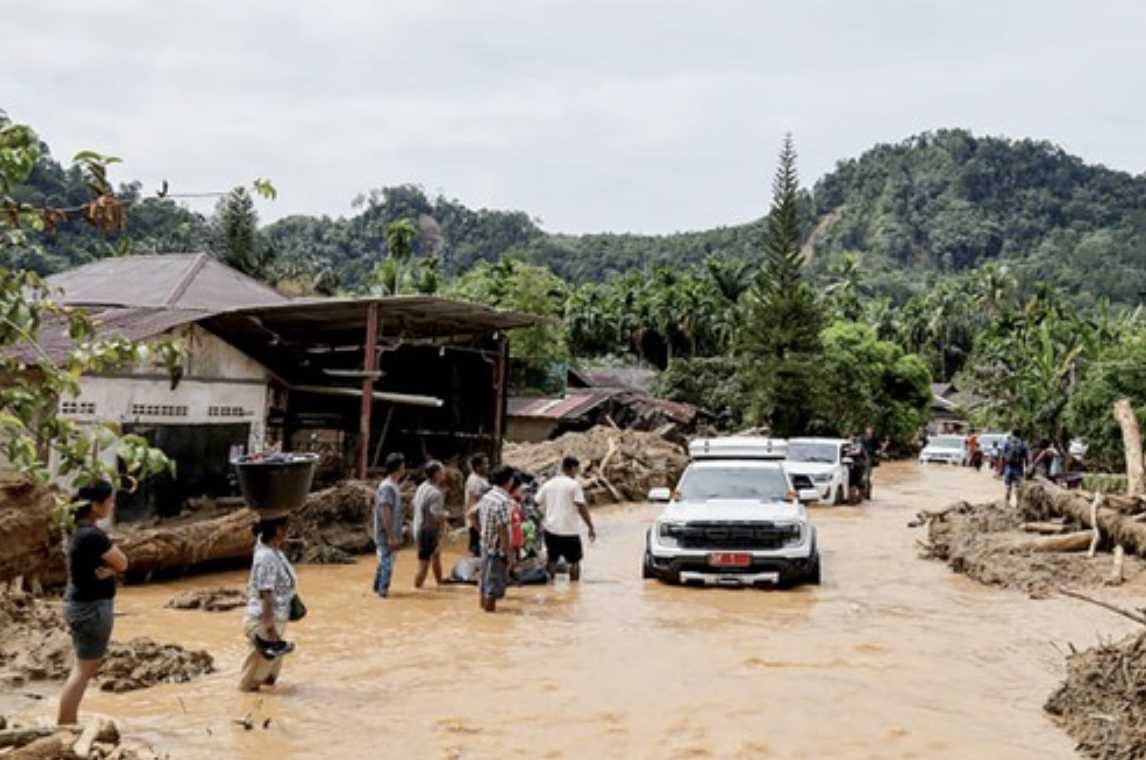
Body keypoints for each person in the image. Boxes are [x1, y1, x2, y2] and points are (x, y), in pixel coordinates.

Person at [58, 481, 127, 725]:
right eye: (110, 501)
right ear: (96, 506)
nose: (113, 505)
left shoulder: (77, 529)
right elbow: (123, 563)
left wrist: (109, 569)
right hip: (92, 608)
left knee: (80, 670)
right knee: (82, 672)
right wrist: (112, 569)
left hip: (78, 603)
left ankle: (67, 722)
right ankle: (66, 725)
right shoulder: (93, 536)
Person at [240, 515, 297, 692]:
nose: (288, 532)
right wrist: (270, 628)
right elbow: (266, 593)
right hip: (264, 622)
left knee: (269, 678)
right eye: (286, 528)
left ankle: (266, 711)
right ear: (279, 530)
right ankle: (250, 710)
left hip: (274, 619)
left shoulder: (271, 549)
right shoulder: (267, 556)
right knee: (250, 684)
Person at [536, 456, 597, 581]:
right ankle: (575, 589)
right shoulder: (574, 485)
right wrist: (590, 527)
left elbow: (536, 502)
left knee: (551, 560)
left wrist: (542, 521)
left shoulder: (548, 484)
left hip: (551, 529)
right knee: (574, 562)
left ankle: (550, 586)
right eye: (578, 469)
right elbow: (581, 507)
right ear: (573, 468)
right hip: (570, 530)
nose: (578, 472)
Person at [477, 466, 514, 612]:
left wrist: (483, 531)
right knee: (492, 589)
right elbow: (503, 529)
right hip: (496, 549)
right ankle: (489, 618)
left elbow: (472, 514)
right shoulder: (503, 500)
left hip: (485, 544)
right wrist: (507, 553)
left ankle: (482, 614)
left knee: (484, 583)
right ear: (509, 481)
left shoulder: (487, 496)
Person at [373, 453, 406, 598]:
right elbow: (385, 512)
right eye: (403, 466)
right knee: (387, 562)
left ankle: (377, 586)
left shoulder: (392, 485)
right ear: (399, 468)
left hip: (388, 530)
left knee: (384, 560)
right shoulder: (388, 487)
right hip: (386, 531)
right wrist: (391, 535)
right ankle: (383, 592)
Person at [413, 460, 449, 588]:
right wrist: (445, 514)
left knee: (436, 556)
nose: (444, 473)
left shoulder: (422, 487)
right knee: (423, 564)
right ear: (436, 474)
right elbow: (435, 515)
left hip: (418, 526)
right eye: (442, 471)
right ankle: (417, 589)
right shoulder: (435, 493)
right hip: (427, 532)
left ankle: (440, 582)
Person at [464, 454, 490, 557]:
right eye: (485, 464)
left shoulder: (481, 478)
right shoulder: (474, 480)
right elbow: (475, 501)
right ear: (478, 466)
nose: (488, 466)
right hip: (476, 521)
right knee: (477, 553)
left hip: (481, 520)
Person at [1002, 430, 1029, 502]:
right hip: (1018, 468)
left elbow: (1003, 457)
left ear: (1012, 434)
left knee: (1008, 487)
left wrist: (1002, 469)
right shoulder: (1023, 444)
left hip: (1008, 467)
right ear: (1020, 434)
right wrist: (1027, 468)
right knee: (1018, 487)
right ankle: (1018, 505)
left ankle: (1006, 503)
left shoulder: (1007, 443)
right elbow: (1026, 457)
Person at [508, 475, 526, 559]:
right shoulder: (510, 503)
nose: (521, 492)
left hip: (516, 537)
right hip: (512, 539)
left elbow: (521, 517)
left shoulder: (515, 502)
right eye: (520, 489)